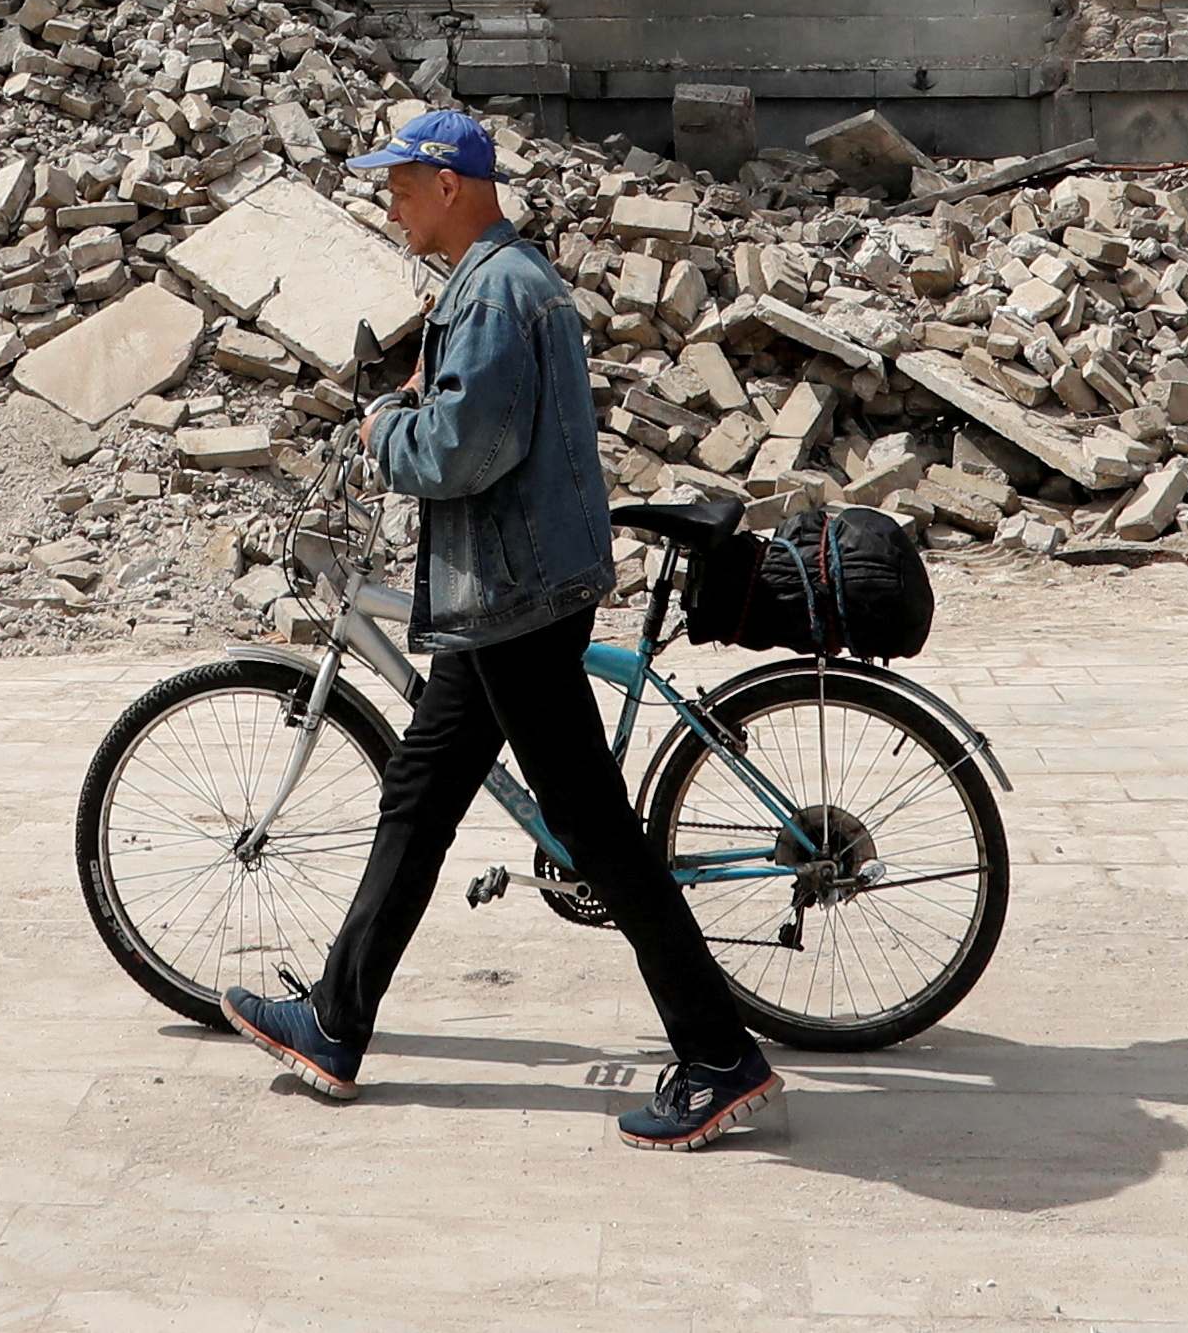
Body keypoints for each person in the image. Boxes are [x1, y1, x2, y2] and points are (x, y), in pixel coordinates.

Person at [218, 109, 782, 1151]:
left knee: (593, 828)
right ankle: (335, 1023)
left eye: (401, 187)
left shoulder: (494, 293)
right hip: (502, 597)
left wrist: (385, 426)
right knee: (420, 793)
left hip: (514, 599)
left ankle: (718, 1056)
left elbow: (457, 455)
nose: (391, 206)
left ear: (449, 184)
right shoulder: (499, 282)